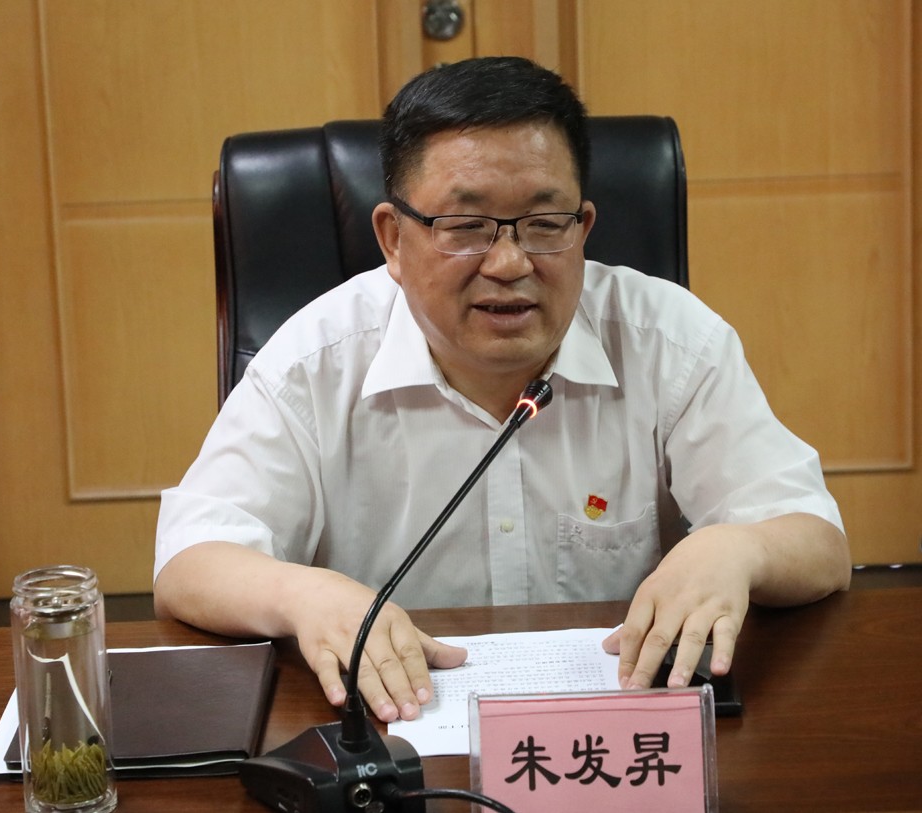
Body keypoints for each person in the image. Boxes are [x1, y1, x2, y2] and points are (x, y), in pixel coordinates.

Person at [154, 56, 850, 726]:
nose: (510, 262)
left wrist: (736, 549)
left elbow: (817, 542)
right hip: (395, 738)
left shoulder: (670, 341)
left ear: (583, 228)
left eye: (545, 225)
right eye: (466, 227)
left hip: (616, 741)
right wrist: (303, 594)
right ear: (393, 239)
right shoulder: (315, 362)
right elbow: (191, 560)